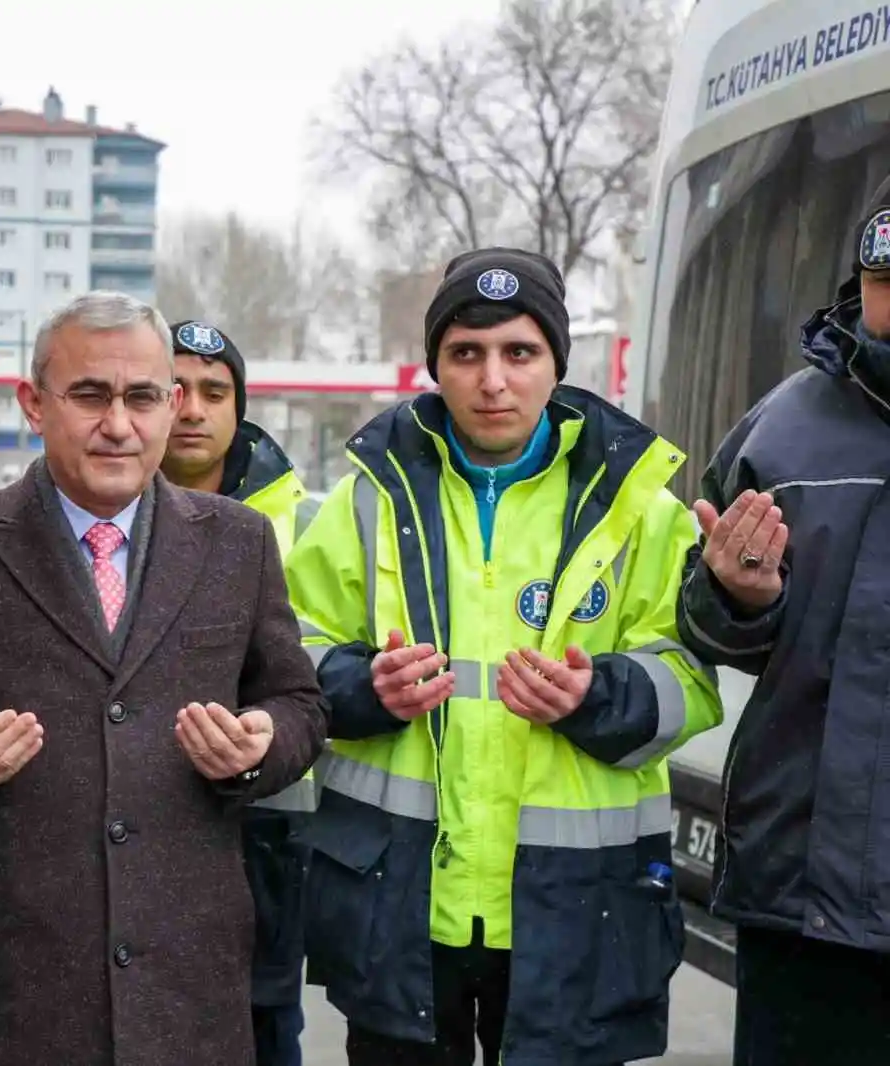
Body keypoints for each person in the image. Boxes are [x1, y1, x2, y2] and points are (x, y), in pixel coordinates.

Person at [0, 290, 328, 1066]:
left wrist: (261, 744)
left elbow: (298, 702)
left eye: (141, 398)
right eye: (90, 395)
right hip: (14, 990)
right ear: (34, 403)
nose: (119, 425)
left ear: (170, 406)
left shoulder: (239, 544)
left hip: (188, 990)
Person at [284, 248, 724, 1066]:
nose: (494, 380)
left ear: (558, 361)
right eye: (467, 353)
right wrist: (360, 687)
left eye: (519, 352)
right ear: (436, 367)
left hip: (576, 914)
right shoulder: (368, 498)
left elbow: (695, 684)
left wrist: (600, 696)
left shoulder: (641, 509)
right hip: (401, 908)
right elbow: (289, 653)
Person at [679, 173, 890, 1066]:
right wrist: (737, 594)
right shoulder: (782, 426)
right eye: (887, 280)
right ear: (860, 281)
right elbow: (705, 619)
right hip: (802, 886)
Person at [161, 319, 319, 1066]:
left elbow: (318, 674)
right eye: (174, 389)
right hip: (131, 824)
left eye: (214, 392)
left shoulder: (307, 524)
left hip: (265, 833)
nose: (192, 409)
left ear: (240, 407)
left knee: (260, 1034)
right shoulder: (96, 516)